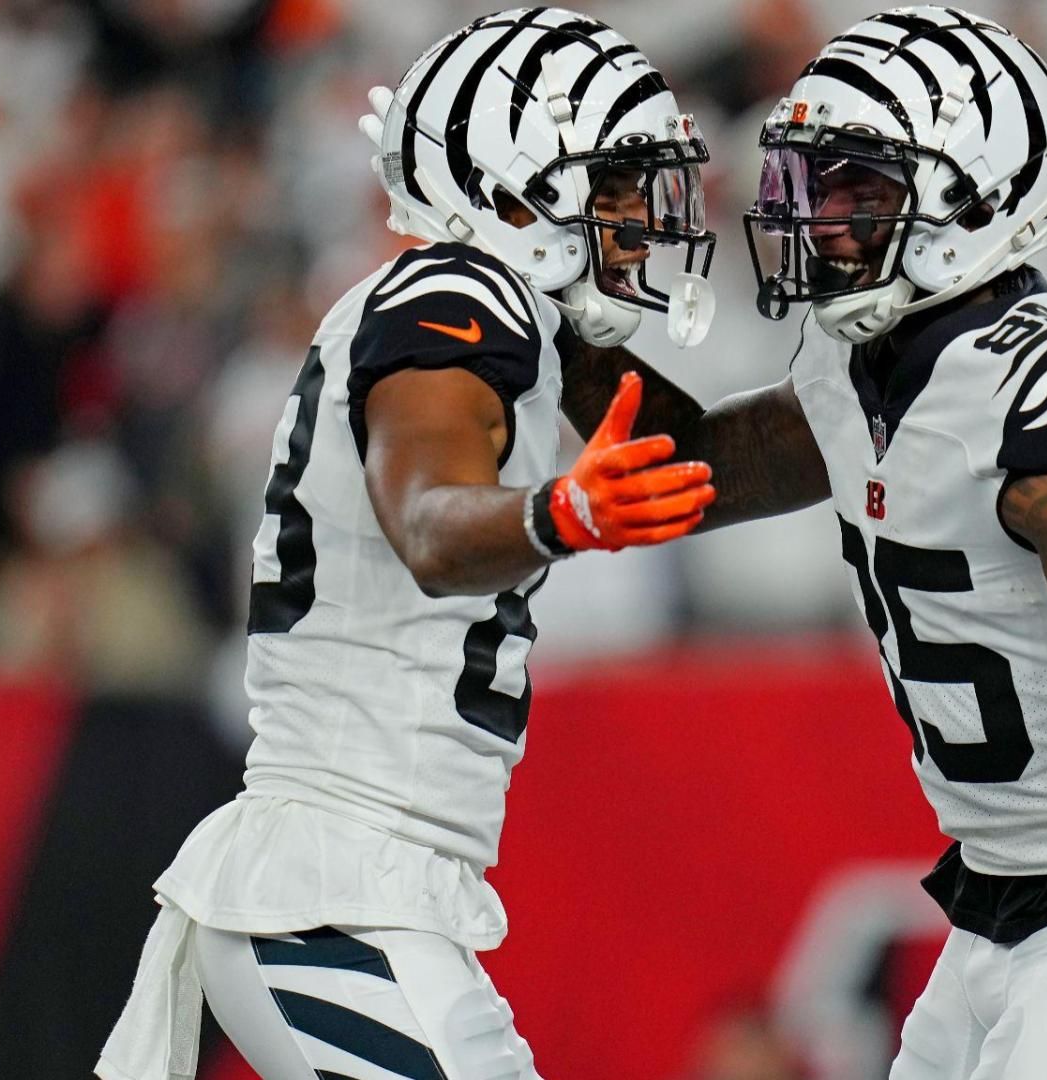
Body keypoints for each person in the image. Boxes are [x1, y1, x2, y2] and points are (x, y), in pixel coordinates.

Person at [533, 7, 1047, 1078]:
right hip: (1000, 901)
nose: (818, 221)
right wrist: (551, 300)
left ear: (973, 203)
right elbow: (692, 468)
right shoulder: (855, 371)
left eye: (855, 191)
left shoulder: (1046, 397)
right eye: (809, 186)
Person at [96, 10, 719, 1079]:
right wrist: (556, 515)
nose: (640, 218)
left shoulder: (503, 310)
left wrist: (882, 397)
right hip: (333, 883)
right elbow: (429, 516)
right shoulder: (454, 299)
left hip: (367, 882)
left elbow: (709, 461)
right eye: (613, 184)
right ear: (523, 190)